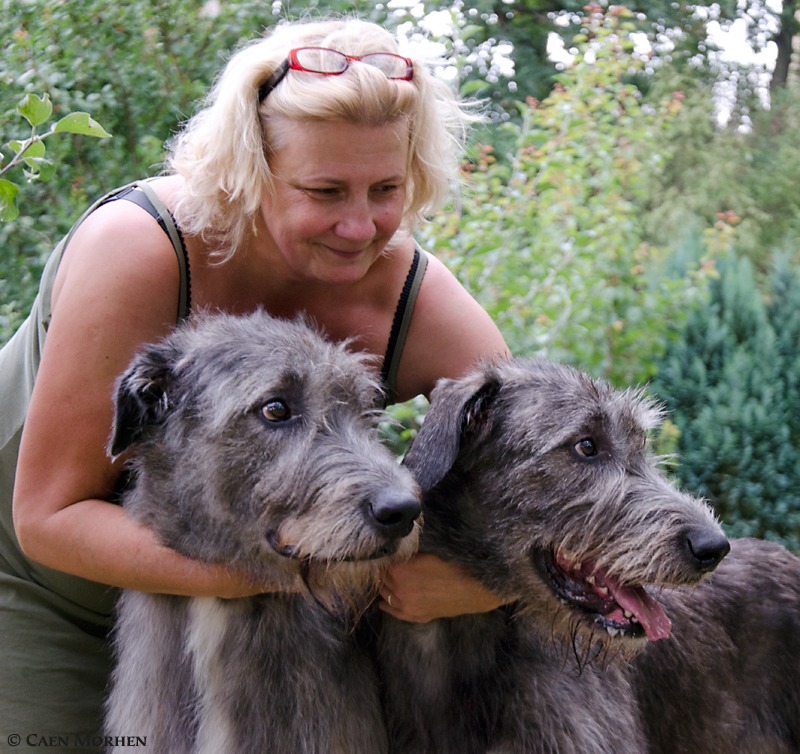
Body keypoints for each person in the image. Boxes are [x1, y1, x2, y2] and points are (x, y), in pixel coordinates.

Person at [0, 17, 509, 747]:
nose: (362, 227)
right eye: (326, 190)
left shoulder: (413, 301)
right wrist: (299, 566)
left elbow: (546, 470)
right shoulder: (139, 253)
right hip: (51, 591)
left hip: (264, 595)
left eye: (386, 188)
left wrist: (482, 579)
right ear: (252, 168)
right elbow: (48, 517)